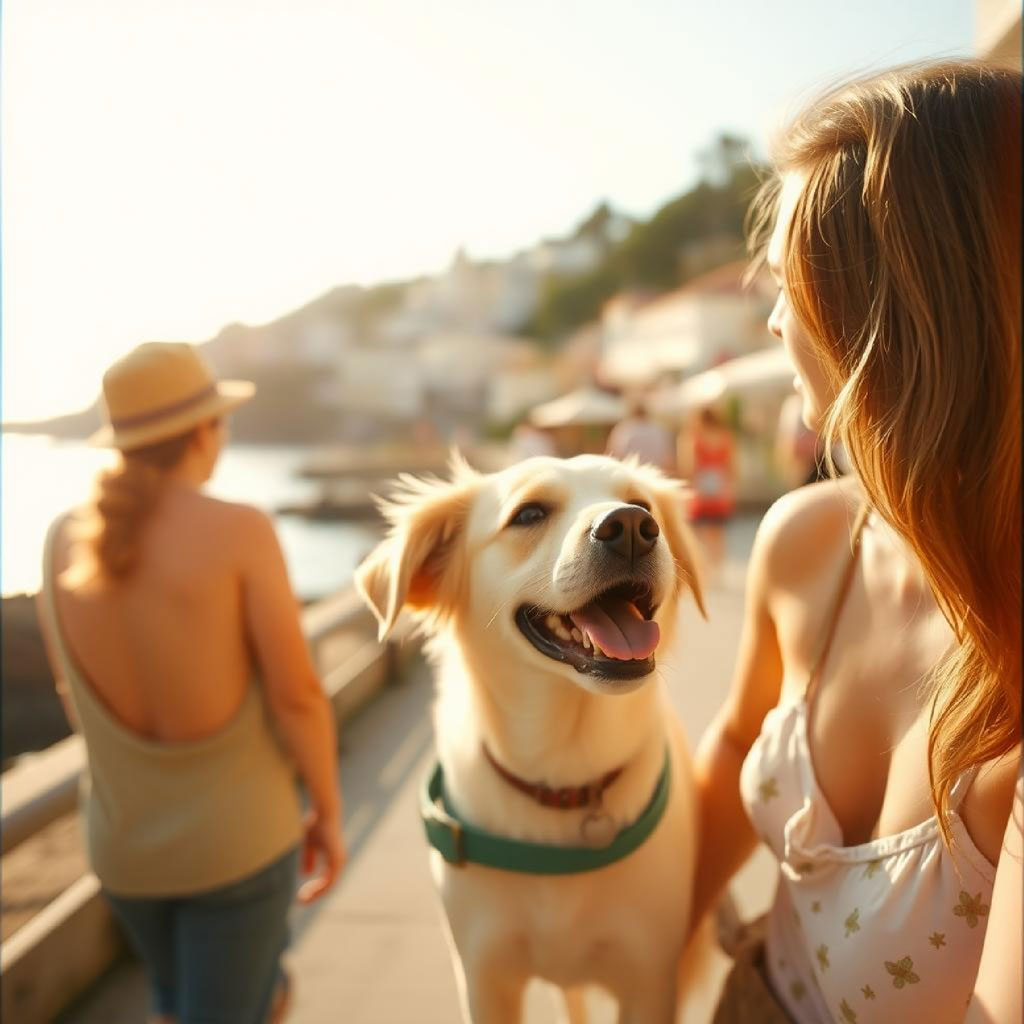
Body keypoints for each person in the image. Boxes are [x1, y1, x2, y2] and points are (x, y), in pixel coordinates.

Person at [691, 60, 1021, 1024]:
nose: (775, 315)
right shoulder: (809, 543)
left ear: (891, 319)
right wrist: (653, 945)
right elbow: (741, 737)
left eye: (792, 282)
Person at [35, 342, 346, 1024]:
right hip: (238, 850)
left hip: (123, 854)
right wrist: (326, 809)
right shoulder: (239, 530)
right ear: (205, 431)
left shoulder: (61, 538)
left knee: (178, 1001)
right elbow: (297, 695)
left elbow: (72, 699)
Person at [606, 394, 677, 474]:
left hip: (631, 475)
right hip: (655, 474)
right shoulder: (659, 429)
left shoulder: (624, 429)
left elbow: (614, 455)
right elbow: (669, 458)